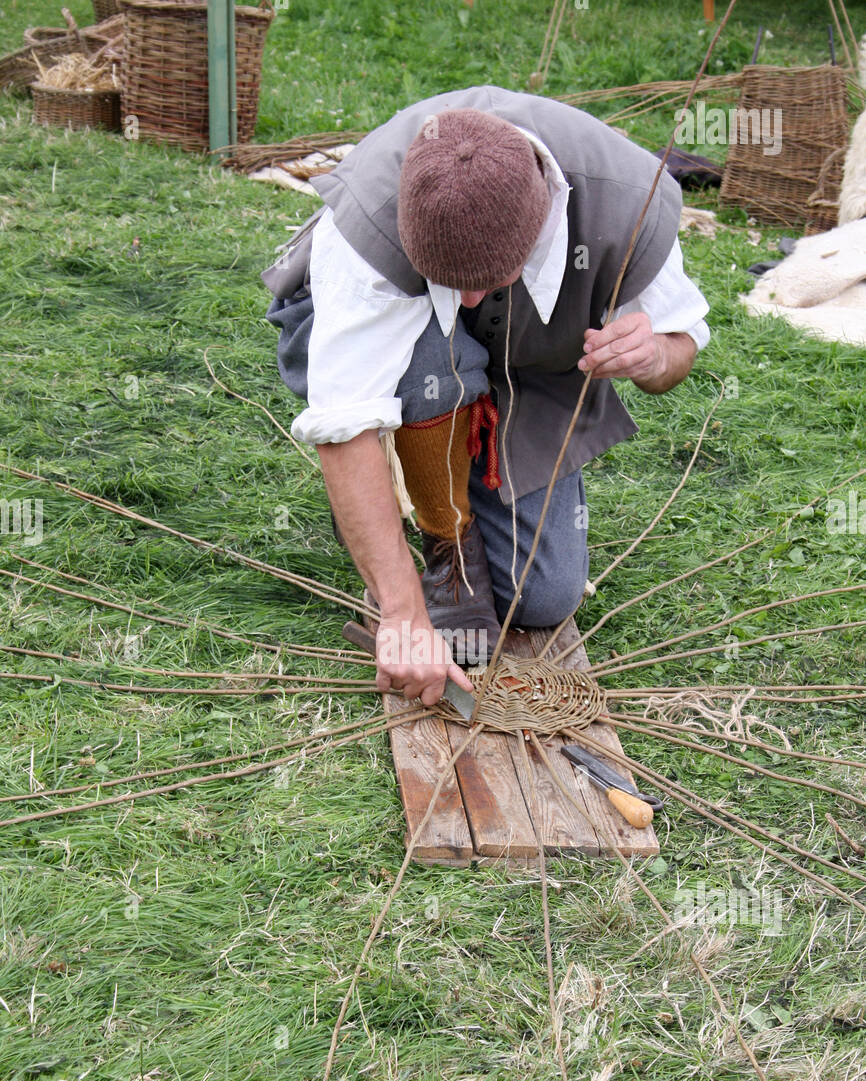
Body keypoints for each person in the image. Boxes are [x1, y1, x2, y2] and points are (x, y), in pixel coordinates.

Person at [263, 86, 709, 708]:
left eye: (483, 284)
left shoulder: (627, 202)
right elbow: (344, 427)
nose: (467, 302)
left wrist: (656, 354)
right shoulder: (369, 227)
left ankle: (440, 475)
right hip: (411, 360)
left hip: (526, 375)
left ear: (542, 226)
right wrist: (402, 614)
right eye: (448, 283)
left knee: (544, 596)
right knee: (440, 355)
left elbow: (680, 346)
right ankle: (447, 542)